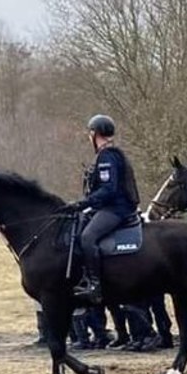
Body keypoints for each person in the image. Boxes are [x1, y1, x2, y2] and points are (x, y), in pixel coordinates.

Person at [62, 114, 140, 304]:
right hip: (109, 206)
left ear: (95, 134)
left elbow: (108, 189)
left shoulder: (107, 156)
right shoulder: (109, 154)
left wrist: (83, 203)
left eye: (90, 133)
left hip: (116, 208)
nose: (89, 137)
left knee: (87, 237)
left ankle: (95, 286)